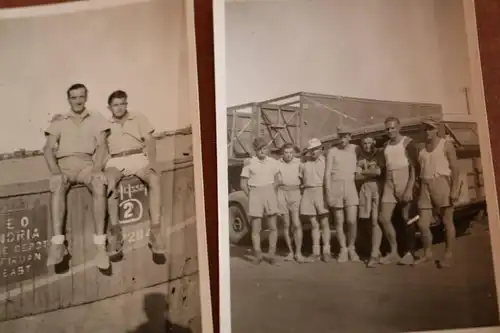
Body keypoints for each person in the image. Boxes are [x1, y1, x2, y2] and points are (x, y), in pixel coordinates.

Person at [43, 83, 110, 269]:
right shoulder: (59, 120)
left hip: (86, 165)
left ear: (86, 97)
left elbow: (103, 146)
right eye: (74, 97)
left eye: (81, 96)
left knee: (99, 183)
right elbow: (48, 149)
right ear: (69, 100)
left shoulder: (96, 118)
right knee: (57, 184)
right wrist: (56, 172)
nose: (78, 101)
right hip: (64, 166)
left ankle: (100, 247)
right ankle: (58, 244)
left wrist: (97, 168)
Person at [104, 90, 166, 257]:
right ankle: (116, 234)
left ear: (126, 104)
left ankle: (155, 232)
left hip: (138, 157)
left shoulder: (138, 117)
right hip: (116, 160)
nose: (119, 108)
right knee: (108, 184)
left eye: (122, 104)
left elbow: (150, 140)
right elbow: (99, 148)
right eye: (115, 105)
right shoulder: (104, 123)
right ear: (109, 107)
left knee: (154, 179)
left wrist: (152, 162)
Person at [415, 119, 460, 268]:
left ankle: (449, 255)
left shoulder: (445, 145)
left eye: (430, 128)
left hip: (441, 183)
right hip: (425, 184)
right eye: (425, 129)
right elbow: (418, 169)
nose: (427, 131)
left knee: (447, 221)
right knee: (422, 224)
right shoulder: (421, 149)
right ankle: (427, 254)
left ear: (436, 130)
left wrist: (454, 190)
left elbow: (455, 168)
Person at [378, 116, 419, 265]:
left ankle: (409, 253)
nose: (390, 130)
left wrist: (409, 188)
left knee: (407, 219)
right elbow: (383, 167)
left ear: (399, 127)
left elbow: (414, 168)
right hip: (390, 182)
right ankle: (394, 251)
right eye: (388, 128)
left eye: (393, 127)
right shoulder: (386, 146)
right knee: (383, 218)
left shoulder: (407, 143)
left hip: (405, 180)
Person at [240, 137, 280, 265]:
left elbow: (278, 179)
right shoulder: (249, 163)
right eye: (259, 149)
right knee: (256, 228)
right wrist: (251, 194)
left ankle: (271, 255)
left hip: (269, 191)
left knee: (273, 226)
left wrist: (271, 190)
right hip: (255, 192)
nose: (263, 151)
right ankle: (257, 254)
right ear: (255, 151)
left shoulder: (273, 162)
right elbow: (243, 183)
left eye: (264, 148)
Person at [325, 127, 360, 263]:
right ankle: (343, 249)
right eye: (340, 136)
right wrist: (328, 193)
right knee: (339, 221)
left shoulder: (355, 149)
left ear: (350, 136)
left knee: (352, 220)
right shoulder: (332, 151)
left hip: (350, 186)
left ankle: (352, 247)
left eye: (345, 136)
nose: (342, 139)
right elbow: (327, 173)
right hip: (335, 186)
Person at [300, 138, 331, 262]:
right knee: (313, 224)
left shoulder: (325, 161)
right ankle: (316, 252)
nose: (313, 152)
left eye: (316, 149)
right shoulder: (303, 163)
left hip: (320, 190)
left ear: (321, 149)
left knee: (324, 222)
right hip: (308, 191)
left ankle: (327, 251)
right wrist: (304, 153)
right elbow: (300, 179)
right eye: (311, 149)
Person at [355, 136, 384, 268]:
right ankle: (374, 250)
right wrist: (371, 172)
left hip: (377, 189)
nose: (367, 145)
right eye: (364, 143)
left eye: (369, 142)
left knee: (375, 221)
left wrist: (366, 172)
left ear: (374, 142)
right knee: (366, 220)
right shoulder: (361, 158)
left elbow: (379, 172)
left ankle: (375, 253)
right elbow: (357, 175)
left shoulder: (379, 154)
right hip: (365, 189)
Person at [276, 143, 305, 263]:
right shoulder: (277, 163)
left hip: (295, 192)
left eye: (290, 152)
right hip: (282, 193)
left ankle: (298, 252)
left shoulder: (299, 163)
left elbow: (304, 179)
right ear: (283, 153)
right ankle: (290, 252)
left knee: (296, 223)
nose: (288, 155)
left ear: (293, 153)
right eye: (286, 152)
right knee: (286, 224)